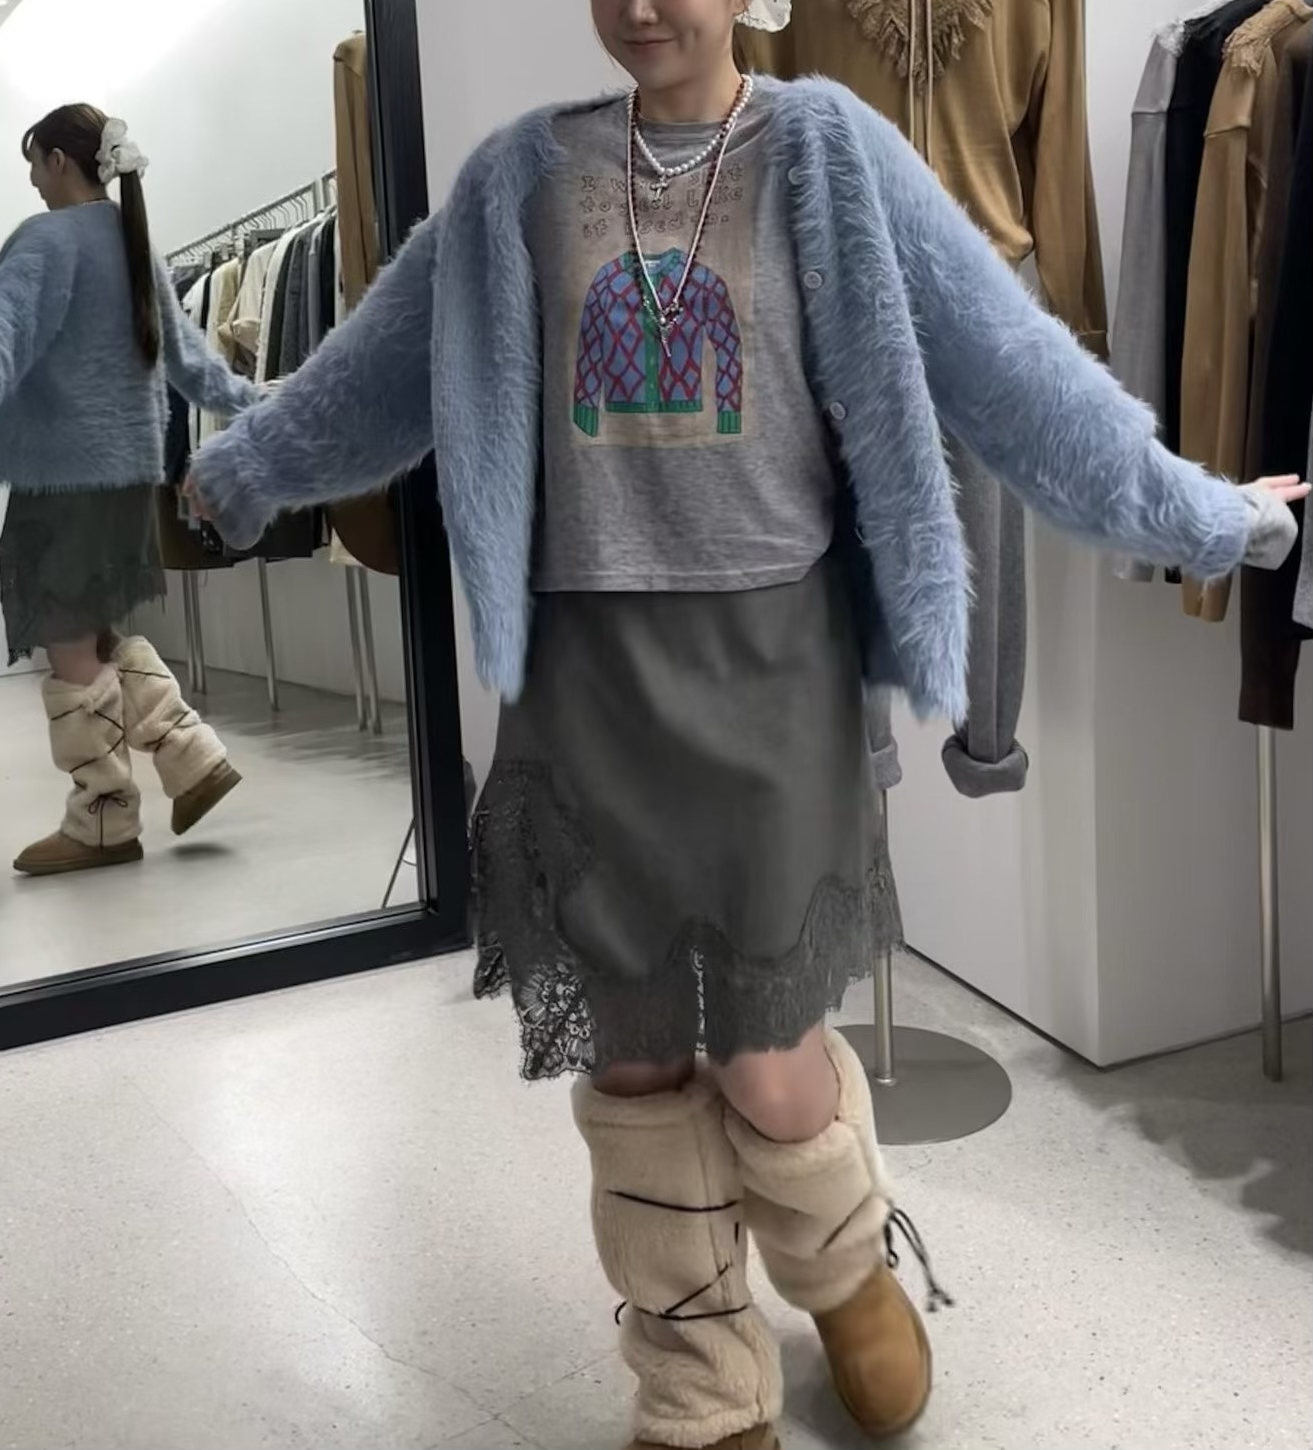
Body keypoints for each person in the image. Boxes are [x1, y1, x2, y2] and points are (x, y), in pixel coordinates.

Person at [185, 3, 1309, 1447]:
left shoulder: (828, 150)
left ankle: (841, 1265)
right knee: (634, 1055)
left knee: (768, 1059)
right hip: (585, 682)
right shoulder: (514, 181)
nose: (643, 5)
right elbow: (370, 372)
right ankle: (697, 1375)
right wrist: (240, 470)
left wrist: (1203, 512)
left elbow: (1013, 371)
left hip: (774, 670)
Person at [0, 104, 257, 878]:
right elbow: (190, 363)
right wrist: (257, 403)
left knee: (66, 636)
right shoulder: (132, 242)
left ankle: (103, 816)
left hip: (63, 476)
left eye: (32, 162)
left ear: (58, 160)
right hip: (127, 476)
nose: (31, 180)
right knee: (92, 630)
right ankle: (188, 753)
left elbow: (5, 339)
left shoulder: (46, 241)